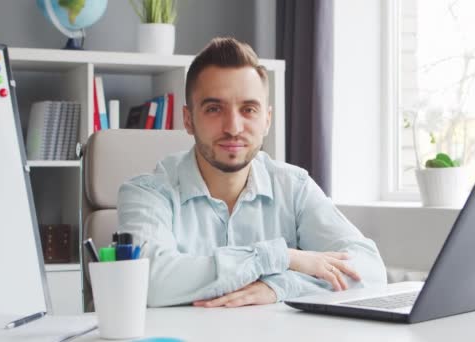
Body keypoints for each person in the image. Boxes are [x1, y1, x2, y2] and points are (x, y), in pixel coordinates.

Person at [118, 37, 387, 308]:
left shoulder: (294, 186)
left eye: (248, 109)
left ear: (267, 119)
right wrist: (279, 257)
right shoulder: (147, 192)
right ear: (188, 120)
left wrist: (278, 286)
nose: (233, 127)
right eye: (214, 109)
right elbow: (148, 282)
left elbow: (370, 269)